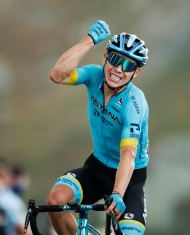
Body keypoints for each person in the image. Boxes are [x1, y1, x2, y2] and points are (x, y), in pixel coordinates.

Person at [46, 20, 149, 235]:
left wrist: (118, 193)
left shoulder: (134, 103)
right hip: (97, 167)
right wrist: (89, 40)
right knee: (55, 200)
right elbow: (57, 75)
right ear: (105, 57)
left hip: (128, 179)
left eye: (128, 65)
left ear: (135, 73)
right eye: (115, 59)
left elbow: (128, 153)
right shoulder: (94, 75)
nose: (119, 69)